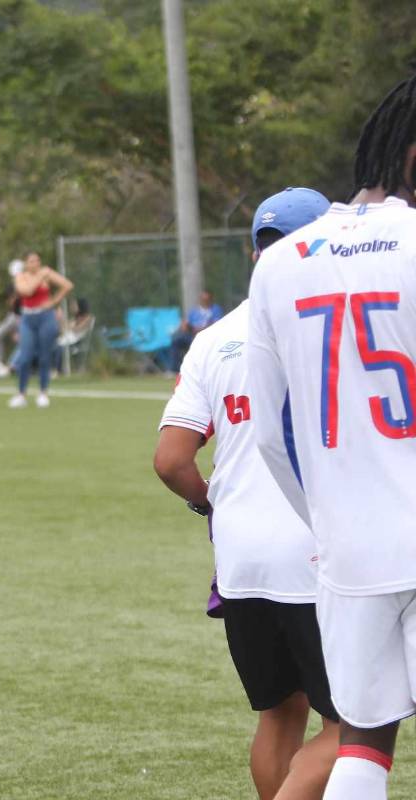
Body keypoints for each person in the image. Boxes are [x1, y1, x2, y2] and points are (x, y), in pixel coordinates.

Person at [247, 75, 416, 800]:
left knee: (363, 741)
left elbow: (270, 432)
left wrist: (327, 519)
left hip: (349, 547)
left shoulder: (281, 263)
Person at [155, 187, 337, 800]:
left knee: (280, 714)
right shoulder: (335, 323)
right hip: (320, 556)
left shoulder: (214, 337)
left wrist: (212, 504)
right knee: (358, 724)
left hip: (240, 561)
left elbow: (172, 460)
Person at [9, 252, 73, 408]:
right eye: (31, 261)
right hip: (27, 318)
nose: (35, 264)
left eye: (37, 260)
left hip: (46, 317)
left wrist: (53, 301)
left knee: (45, 356)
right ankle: (21, 393)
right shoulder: (20, 277)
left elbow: (67, 285)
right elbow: (26, 291)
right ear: (26, 264)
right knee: (25, 357)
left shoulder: (47, 273)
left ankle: (43, 393)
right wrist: (41, 276)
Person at [0, 259, 23, 378]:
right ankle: (0, 363)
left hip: (26, 316)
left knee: (25, 343)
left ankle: (12, 366)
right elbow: (11, 303)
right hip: (14, 316)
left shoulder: (28, 283)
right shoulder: (11, 286)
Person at [170, 289, 224, 372]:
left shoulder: (216, 310)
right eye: (203, 299)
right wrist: (185, 326)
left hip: (208, 337)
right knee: (176, 341)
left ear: (211, 299)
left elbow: (216, 324)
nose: (204, 301)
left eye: (207, 299)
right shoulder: (194, 311)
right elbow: (186, 325)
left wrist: (200, 329)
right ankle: (175, 370)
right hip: (191, 335)